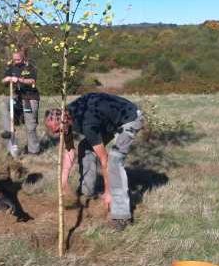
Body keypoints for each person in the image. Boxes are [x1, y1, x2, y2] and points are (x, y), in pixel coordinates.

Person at [44, 93, 144, 231]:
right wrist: (63, 182)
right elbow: (69, 151)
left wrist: (108, 192)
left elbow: (105, 160)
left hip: (130, 118)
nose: (58, 134)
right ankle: (87, 191)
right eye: (55, 132)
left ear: (64, 121)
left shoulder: (87, 124)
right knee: (85, 147)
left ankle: (120, 215)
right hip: (107, 121)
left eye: (58, 130)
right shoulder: (67, 116)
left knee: (115, 161)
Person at [0, 49, 40, 157]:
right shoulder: (11, 67)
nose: (16, 61)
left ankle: (33, 151)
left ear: (24, 58)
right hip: (17, 98)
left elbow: (32, 81)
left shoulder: (30, 67)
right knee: (4, 104)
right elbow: (3, 80)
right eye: (14, 59)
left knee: (30, 127)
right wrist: (7, 79)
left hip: (29, 98)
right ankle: (9, 132)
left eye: (18, 59)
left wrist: (18, 79)